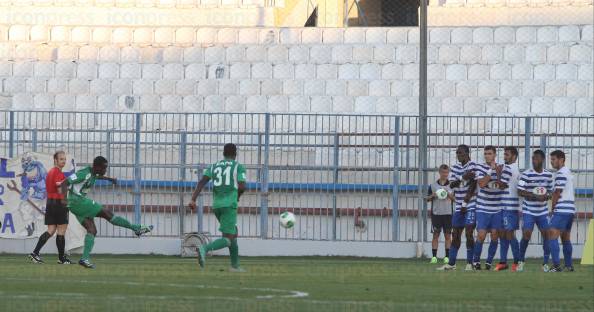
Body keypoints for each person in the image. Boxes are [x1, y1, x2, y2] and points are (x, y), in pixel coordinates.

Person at [61, 156, 153, 268]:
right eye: (104, 168)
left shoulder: (93, 173)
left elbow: (98, 176)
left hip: (76, 205)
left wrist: (109, 179)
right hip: (77, 201)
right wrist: (63, 199)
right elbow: (64, 183)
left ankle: (84, 259)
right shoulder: (84, 173)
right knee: (107, 213)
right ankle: (136, 228)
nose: (105, 170)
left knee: (92, 230)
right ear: (97, 167)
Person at [189, 143, 247, 273]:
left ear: (223, 153)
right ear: (235, 154)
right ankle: (204, 248)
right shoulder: (238, 167)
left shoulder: (214, 166)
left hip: (217, 206)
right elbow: (242, 186)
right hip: (229, 205)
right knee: (229, 238)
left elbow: (202, 182)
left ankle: (235, 266)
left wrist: (193, 199)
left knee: (233, 233)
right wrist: (237, 196)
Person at [437, 145, 477, 271]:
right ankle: (452, 263)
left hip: (471, 205)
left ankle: (470, 263)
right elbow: (452, 185)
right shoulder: (455, 167)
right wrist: (463, 177)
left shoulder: (473, 166)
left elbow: (473, 185)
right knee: (456, 234)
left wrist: (466, 201)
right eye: (457, 153)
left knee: (469, 233)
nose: (458, 155)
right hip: (459, 206)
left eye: (460, 153)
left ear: (467, 153)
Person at [472, 146, 511, 270]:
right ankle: (476, 261)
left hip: (497, 208)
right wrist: (490, 171)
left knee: (495, 235)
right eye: (485, 153)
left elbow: (504, 185)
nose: (487, 156)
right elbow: (482, 184)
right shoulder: (479, 167)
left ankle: (488, 262)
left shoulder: (502, 167)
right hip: (482, 207)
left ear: (494, 155)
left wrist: (497, 172)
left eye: (489, 153)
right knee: (481, 235)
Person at [29, 151, 71, 264]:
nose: (63, 161)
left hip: (50, 203)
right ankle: (62, 259)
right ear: (55, 160)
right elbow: (59, 189)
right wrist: (67, 196)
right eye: (61, 159)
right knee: (61, 230)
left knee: (51, 230)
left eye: (64, 159)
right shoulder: (57, 173)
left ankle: (35, 253)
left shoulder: (51, 172)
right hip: (59, 203)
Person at [517, 150, 553, 272]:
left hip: (542, 211)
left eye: (536, 158)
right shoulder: (526, 174)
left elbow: (551, 191)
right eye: (533, 158)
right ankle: (521, 261)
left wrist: (547, 195)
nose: (534, 161)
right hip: (529, 210)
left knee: (547, 235)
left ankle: (545, 263)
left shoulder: (548, 175)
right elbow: (520, 191)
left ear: (542, 160)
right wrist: (536, 196)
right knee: (526, 234)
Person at [546, 150, 575, 272]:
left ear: (561, 159)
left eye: (554, 159)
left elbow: (557, 192)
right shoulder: (567, 172)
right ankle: (568, 265)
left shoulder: (561, 173)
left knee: (552, 235)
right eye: (551, 159)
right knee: (565, 238)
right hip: (570, 210)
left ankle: (557, 265)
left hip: (562, 209)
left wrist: (552, 209)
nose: (552, 162)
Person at [495, 147, 521, 271]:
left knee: (509, 234)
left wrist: (498, 172)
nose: (505, 157)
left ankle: (517, 261)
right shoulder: (513, 168)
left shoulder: (509, 168)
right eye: (504, 154)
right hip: (506, 206)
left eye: (507, 155)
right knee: (503, 234)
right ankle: (503, 262)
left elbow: (501, 185)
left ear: (514, 156)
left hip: (509, 206)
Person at [427, 164, 454, 264]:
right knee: (436, 235)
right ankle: (434, 257)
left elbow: (456, 200)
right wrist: (433, 195)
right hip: (436, 214)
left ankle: (447, 257)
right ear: (439, 172)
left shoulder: (451, 185)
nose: (445, 174)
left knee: (448, 235)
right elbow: (427, 199)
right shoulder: (433, 185)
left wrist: (449, 195)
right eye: (443, 172)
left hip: (448, 214)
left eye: (447, 173)